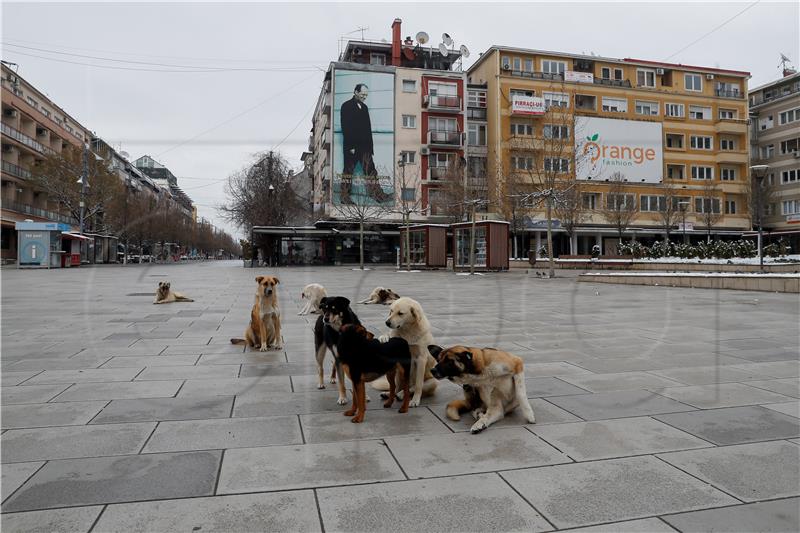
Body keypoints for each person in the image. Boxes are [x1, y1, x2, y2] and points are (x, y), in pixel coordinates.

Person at [339, 84, 391, 204]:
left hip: (365, 147)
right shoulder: (346, 106)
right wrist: (351, 146)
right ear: (356, 92)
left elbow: (367, 128)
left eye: (366, 95)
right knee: (348, 172)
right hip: (352, 147)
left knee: (371, 172)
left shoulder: (365, 107)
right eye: (362, 94)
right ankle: (344, 197)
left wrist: (370, 148)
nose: (364, 97)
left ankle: (378, 195)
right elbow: (346, 127)